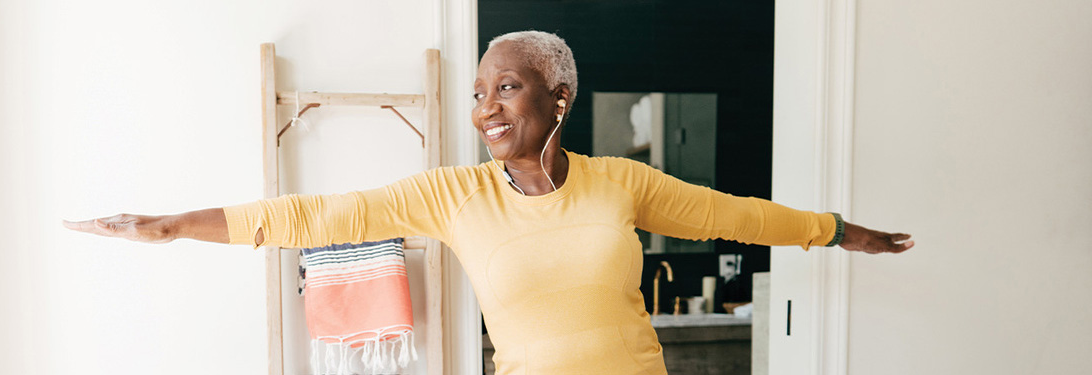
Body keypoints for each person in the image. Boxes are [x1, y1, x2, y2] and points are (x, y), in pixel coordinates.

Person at [64, 31, 913, 374]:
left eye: (506, 87)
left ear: (558, 95)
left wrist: (841, 231)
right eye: (477, 94)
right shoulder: (454, 195)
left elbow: (737, 215)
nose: (485, 109)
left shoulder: (623, 182)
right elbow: (319, 217)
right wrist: (172, 224)